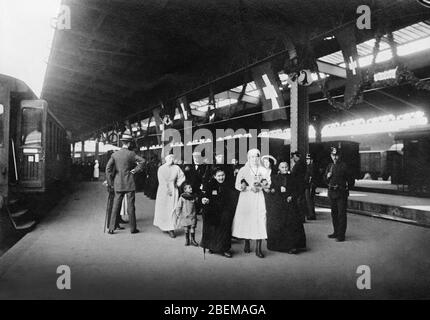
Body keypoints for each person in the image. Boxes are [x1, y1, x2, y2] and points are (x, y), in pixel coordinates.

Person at [232, 149, 271, 258]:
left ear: (259, 157)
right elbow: (237, 185)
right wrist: (248, 187)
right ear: (248, 158)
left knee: (260, 219)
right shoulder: (243, 170)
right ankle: (247, 242)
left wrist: (262, 186)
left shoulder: (263, 170)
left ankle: (258, 248)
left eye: (257, 156)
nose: (254, 159)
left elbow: (268, 183)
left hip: (259, 197)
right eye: (252, 157)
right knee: (247, 219)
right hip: (246, 197)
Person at [106, 133, 145, 234]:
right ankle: (133, 228)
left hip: (118, 183)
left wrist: (110, 182)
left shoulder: (115, 154)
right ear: (128, 144)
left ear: (122, 143)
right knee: (131, 206)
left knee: (116, 205)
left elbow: (108, 169)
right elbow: (143, 161)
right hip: (129, 182)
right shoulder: (131, 154)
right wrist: (134, 171)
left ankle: (111, 228)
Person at [265, 161, 306, 253]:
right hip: (279, 204)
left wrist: (292, 196)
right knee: (280, 224)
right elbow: (273, 189)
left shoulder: (293, 178)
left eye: (286, 167)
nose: (284, 169)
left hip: (290, 204)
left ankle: (293, 245)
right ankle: (281, 246)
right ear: (279, 168)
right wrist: (274, 190)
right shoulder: (274, 178)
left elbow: (298, 189)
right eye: (282, 167)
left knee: (292, 224)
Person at [200, 167, 236, 258]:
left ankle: (224, 249)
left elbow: (232, 199)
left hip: (225, 210)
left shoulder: (229, 185)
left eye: (223, 175)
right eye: (219, 176)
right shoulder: (209, 184)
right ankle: (211, 247)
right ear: (214, 176)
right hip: (212, 210)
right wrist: (204, 199)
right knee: (212, 228)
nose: (221, 178)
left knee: (224, 229)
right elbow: (204, 195)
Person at [153, 154, 186, 238]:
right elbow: (161, 181)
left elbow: (182, 176)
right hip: (163, 191)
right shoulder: (161, 168)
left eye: (172, 158)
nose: (171, 159)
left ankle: (171, 228)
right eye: (169, 158)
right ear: (166, 159)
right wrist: (167, 189)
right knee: (164, 208)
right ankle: (164, 226)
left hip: (174, 190)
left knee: (173, 208)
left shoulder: (176, 168)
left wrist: (177, 184)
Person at [324, 147, 353, 242]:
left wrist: (346, 190)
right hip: (332, 193)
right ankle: (335, 232)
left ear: (339, 156)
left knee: (341, 214)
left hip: (341, 193)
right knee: (334, 214)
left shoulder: (344, 166)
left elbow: (351, 180)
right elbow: (324, 180)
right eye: (333, 155)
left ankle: (341, 235)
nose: (335, 157)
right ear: (330, 155)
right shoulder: (329, 166)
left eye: (336, 155)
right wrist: (327, 177)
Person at [175, 182, 199, 246]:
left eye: (191, 187)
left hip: (192, 215)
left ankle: (193, 240)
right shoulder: (182, 197)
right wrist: (178, 214)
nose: (191, 189)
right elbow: (179, 206)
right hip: (185, 216)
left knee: (192, 228)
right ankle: (187, 240)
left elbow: (197, 205)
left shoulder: (194, 197)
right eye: (189, 188)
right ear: (185, 190)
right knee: (186, 229)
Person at [290, 151, 307, 222]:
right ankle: (302, 217)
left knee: (299, 201)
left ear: (297, 157)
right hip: (302, 184)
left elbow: (293, 174)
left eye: (294, 157)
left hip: (298, 185)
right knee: (301, 200)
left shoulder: (298, 164)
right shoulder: (303, 163)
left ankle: (300, 218)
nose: (293, 158)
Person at [304, 153, 317, 220]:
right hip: (310, 185)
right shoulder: (310, 166)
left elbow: (311, 177)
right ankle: (311, 214)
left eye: (308, 159)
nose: (307, 160)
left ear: (311, 160)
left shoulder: (311, 167)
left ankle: (311, 214)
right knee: (310, 200)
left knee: (309, 200)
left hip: (310, 185)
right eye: (306, 159)